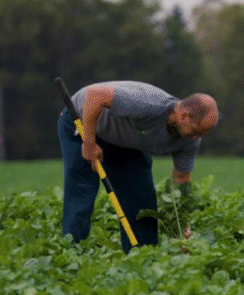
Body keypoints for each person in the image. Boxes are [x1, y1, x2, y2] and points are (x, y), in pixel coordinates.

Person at [57, 80, 218, 252]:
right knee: (82, 192)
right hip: (84, 120)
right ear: (184, 116)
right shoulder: (148, 104)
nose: (197, 138)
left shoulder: (189, 142)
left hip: (124, 140)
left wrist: (179, 227)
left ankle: (142, 257)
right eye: (196, 130)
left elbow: (181, 180)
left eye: (202, 133)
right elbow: (96, 95)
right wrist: (89, 142)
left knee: (142, 202)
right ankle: (71, 254)